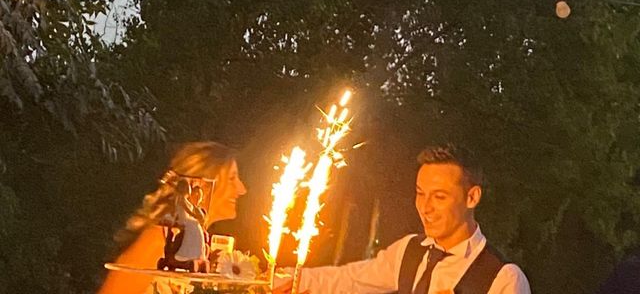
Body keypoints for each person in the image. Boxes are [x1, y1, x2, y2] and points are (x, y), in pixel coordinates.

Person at [276, 144, 530, 294]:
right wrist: (280, 278)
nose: (425, 208)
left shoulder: (503, 278)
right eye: (420, 194)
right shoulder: (409, 251)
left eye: (439, 197)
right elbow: (348, 279)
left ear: (472, 197)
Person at [98, 141, 247, 294]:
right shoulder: (158, 240)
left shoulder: (197, 248)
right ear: (201, 186)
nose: (242, 189)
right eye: (231, 179)